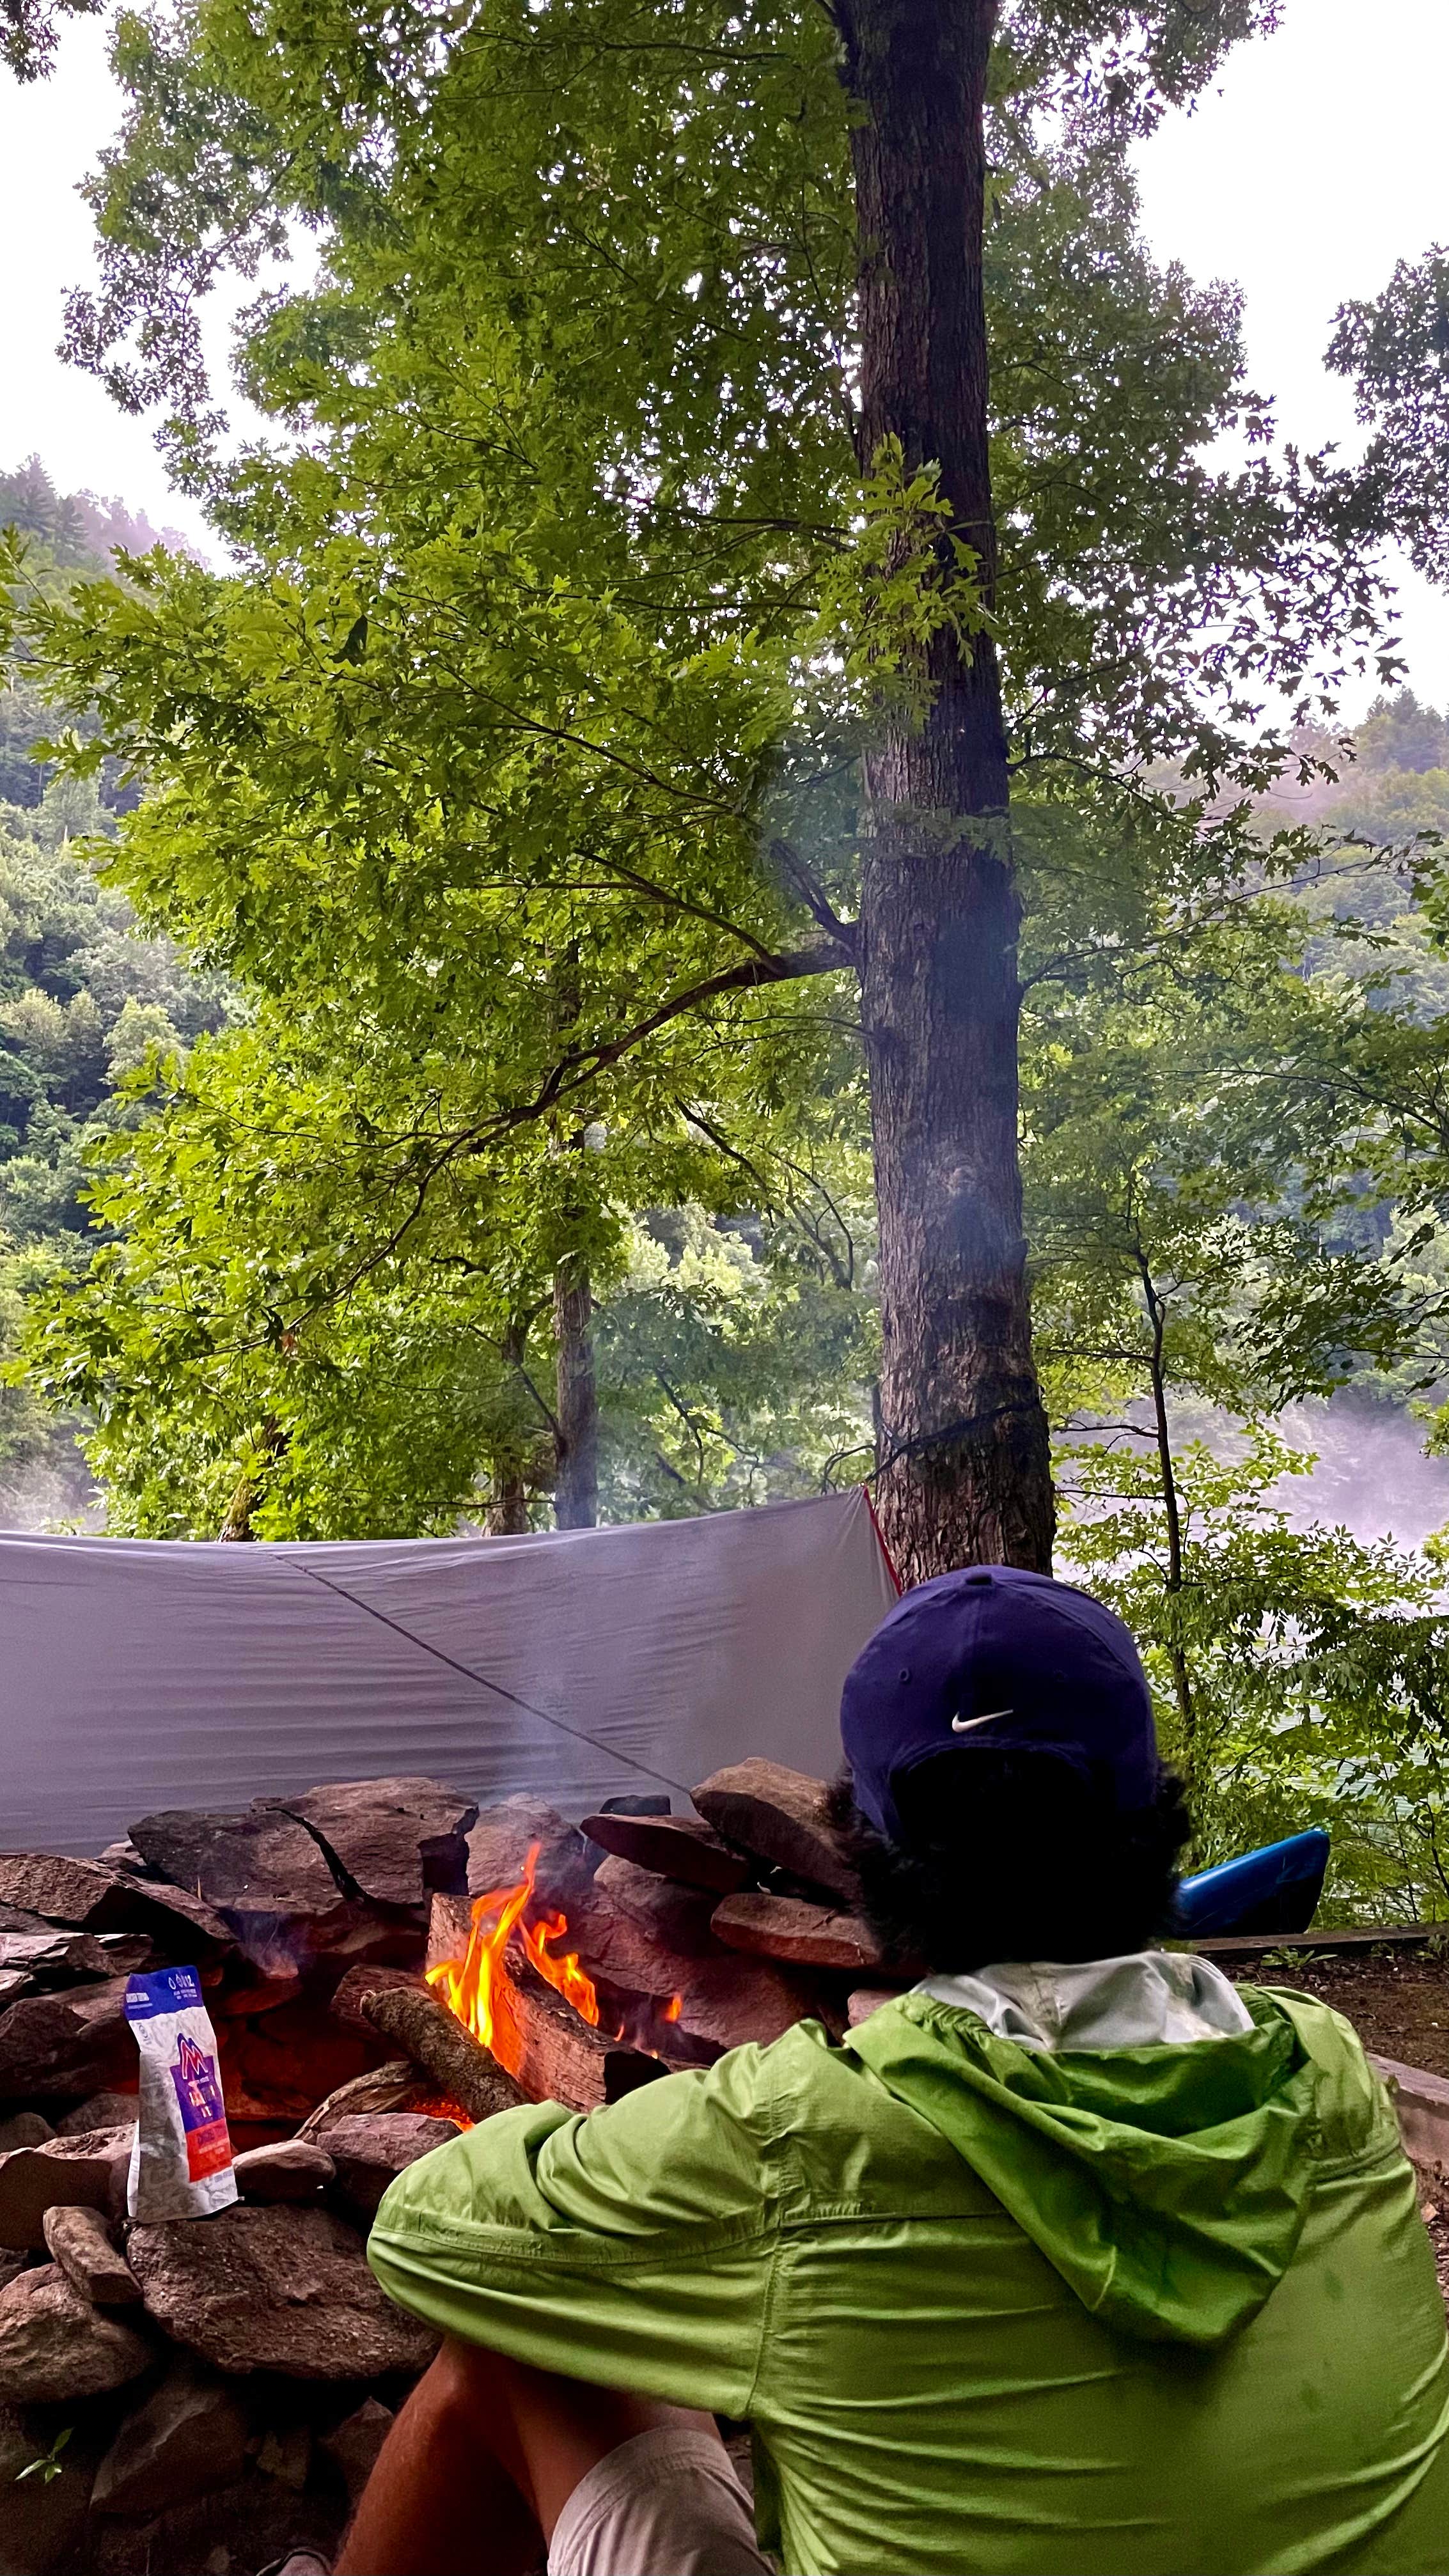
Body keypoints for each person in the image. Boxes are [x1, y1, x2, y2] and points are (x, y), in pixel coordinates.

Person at [341, 1565, 1449, 2576]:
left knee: (517, 2342)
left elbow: (425, 2232)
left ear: (862, 1845)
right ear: (1154, 1813)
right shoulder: (1326, 2071)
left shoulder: (804, 2129)